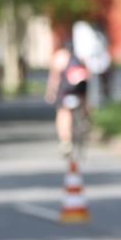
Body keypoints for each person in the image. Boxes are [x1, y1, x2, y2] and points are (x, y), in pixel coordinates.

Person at [45, 30, 90, 159]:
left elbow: (54, 78)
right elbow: (87, 76)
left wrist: (51, 92)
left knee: (63, 113)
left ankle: (65, 142)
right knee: (83, 103)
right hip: (79, 91)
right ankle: (85, 119)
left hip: (65, 92)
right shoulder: (81, 58)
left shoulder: (59, 57)